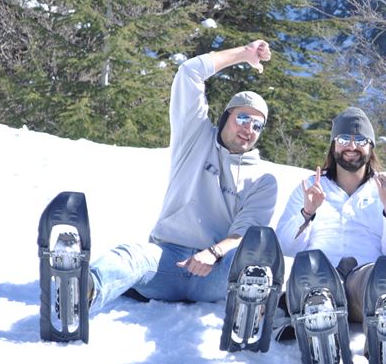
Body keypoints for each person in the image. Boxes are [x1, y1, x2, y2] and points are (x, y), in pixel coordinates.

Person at [87, 39, 277, 313]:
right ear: (226, 117)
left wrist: (213, 253)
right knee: (130, 255)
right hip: (166, 260)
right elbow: (190, 72)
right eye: (243, 119)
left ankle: (250, 314)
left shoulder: (262, 179)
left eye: (257, 125)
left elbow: (243, 234)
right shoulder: (194, 136)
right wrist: (243, 54)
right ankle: (82, 292)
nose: (249, 128)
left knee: (253, 254)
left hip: (216, 272)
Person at [275, 107, 386, 322]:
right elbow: (286, 246)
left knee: (380, 279)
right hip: (318, 277)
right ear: (333, 145)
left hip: (365, 285)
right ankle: (321, 327)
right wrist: (307, 213)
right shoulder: (310, 187)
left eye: (360, 140)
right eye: (343, 139)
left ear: (371, 147)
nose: (352, 147)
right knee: (316, 276)